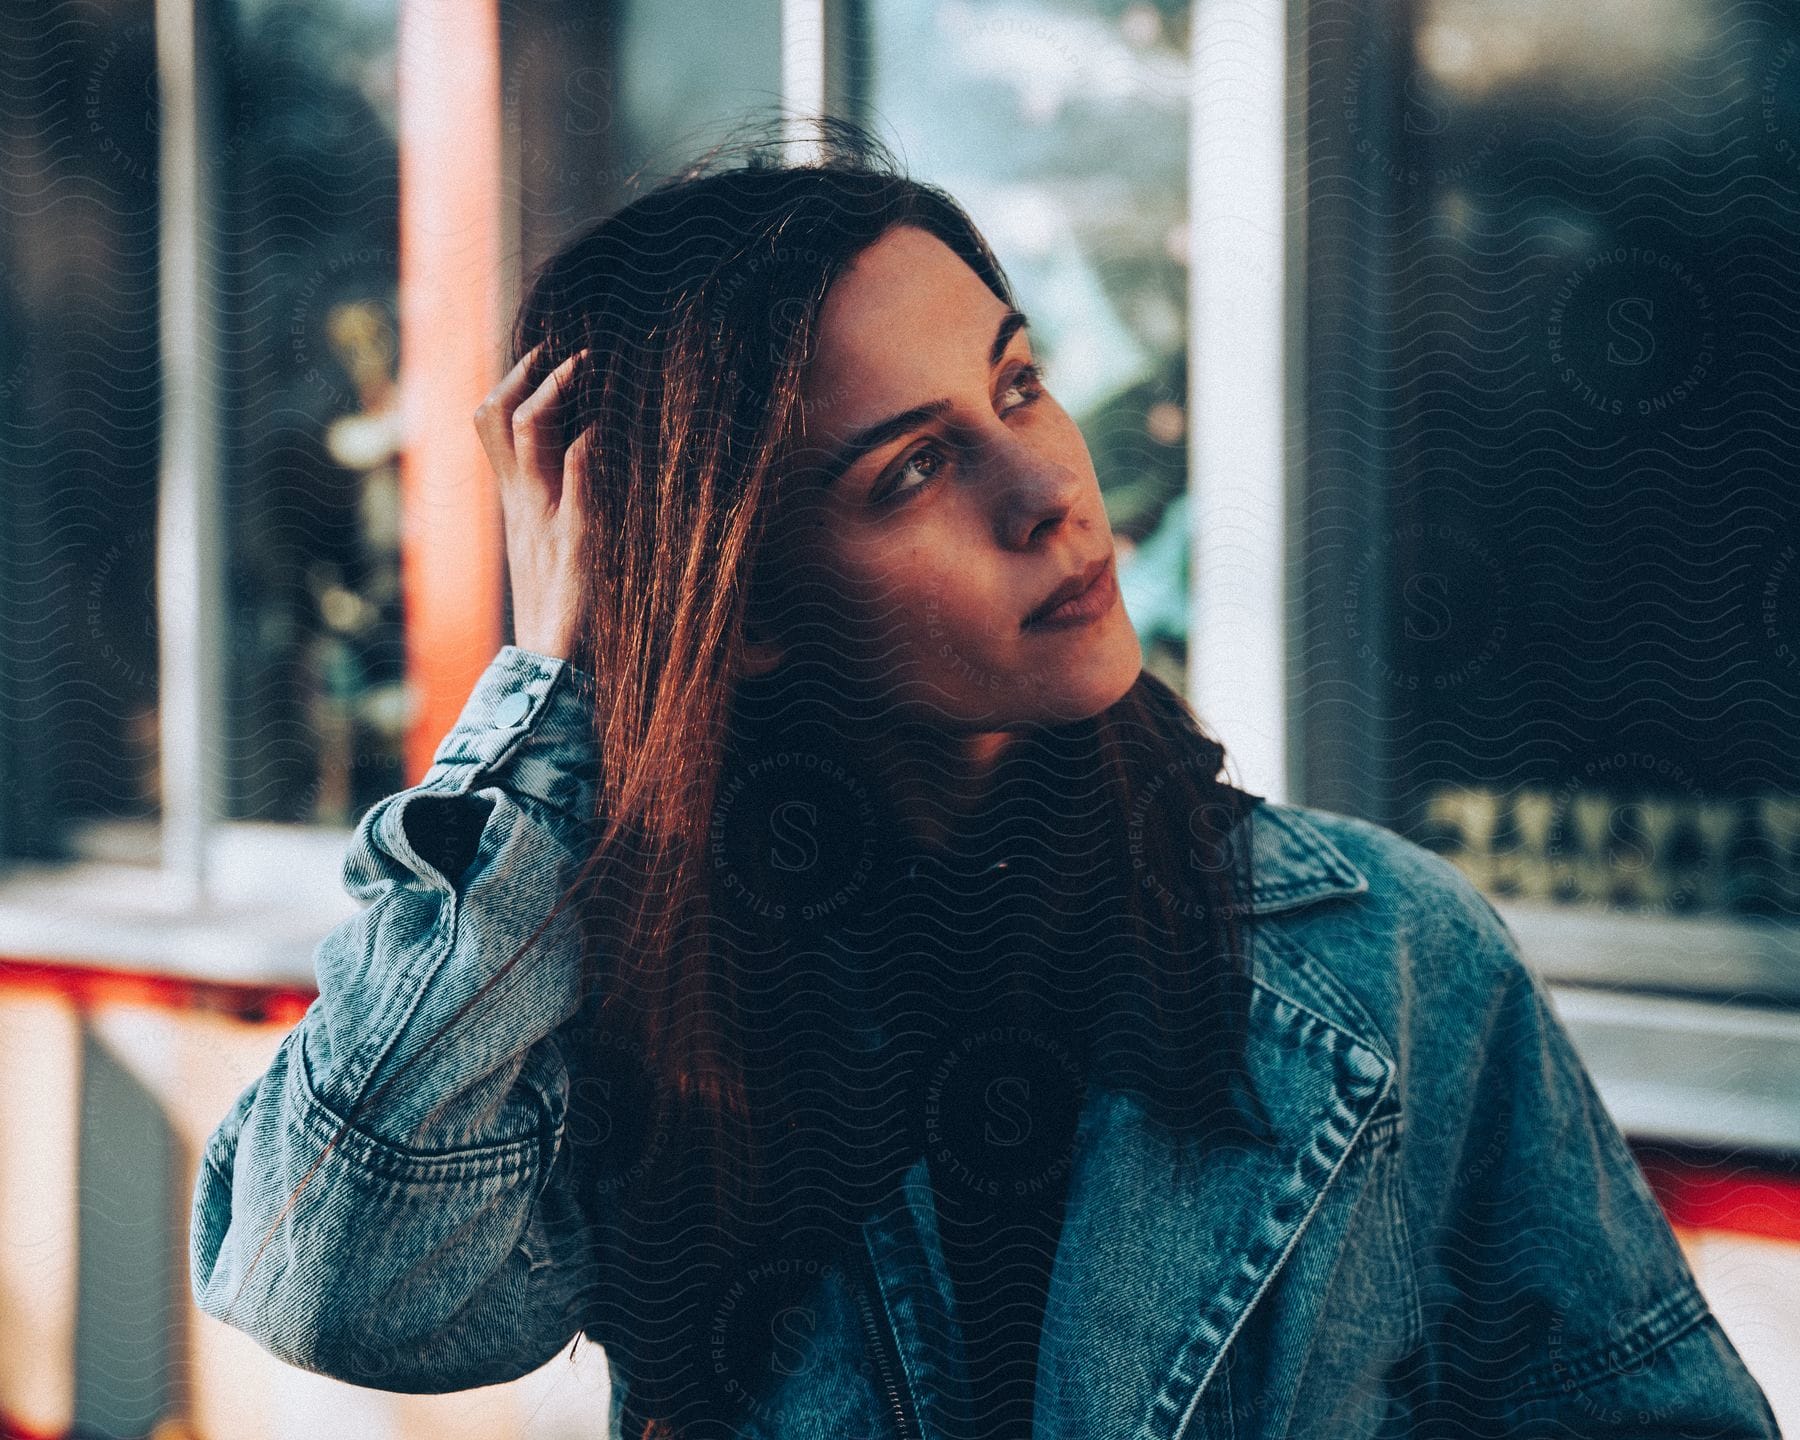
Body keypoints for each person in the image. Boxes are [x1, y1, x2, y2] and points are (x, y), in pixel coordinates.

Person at [189, 119, 1781, 1440]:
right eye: (915, 469)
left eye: (1020, 384)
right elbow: (335, 1282)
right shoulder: (657, 983)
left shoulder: (1393, 959)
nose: (1051, 494)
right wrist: (553, 702)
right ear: (744, 615)